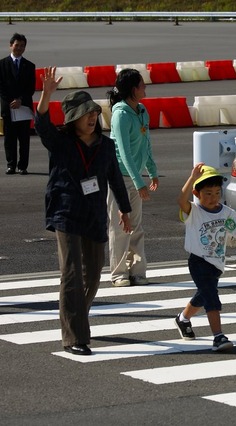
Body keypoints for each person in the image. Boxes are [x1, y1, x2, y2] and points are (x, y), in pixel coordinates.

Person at [34, 67, 132, 356]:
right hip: (66, 211)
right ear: (73, 120)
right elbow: (41, 125)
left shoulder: (105, 146)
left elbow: (115, 178)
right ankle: (75, 336)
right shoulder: (62, 143)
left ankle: (76, 315)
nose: (91, 118)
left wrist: (125, 210)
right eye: (84, 114)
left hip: (94, 214)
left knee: (93, 275)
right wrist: (46, 95)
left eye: (93, 113)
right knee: (72, 273)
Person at [174, 163, 236, 351]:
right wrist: (191, 177)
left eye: (217, 193)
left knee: (203, 295)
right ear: (197, 193)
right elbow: (181, 200)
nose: (213, 197)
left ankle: (183, 319)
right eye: (208, 193)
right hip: (198, 261)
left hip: (216, 263)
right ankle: (218, 336)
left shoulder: (226, 213)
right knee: (211, 297)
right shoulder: (193, 212)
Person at [106, 69, 159, 287]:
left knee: (136, 226)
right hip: (119, 177)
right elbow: (124, 152)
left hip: (136, 176)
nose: (145, 88)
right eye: (142, 85)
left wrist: (153, 171)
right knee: (119, 228)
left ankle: (137, 271)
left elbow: (146, 144)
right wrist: (139, 183)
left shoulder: (142, 111)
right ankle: (119, 274)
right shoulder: (120, 114)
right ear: (132, 90)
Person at [0, 33, 35, 175]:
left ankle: (23, 166)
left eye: (22, 46)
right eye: (17, 45)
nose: (19, 48)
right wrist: (11, 101)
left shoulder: (29, 66)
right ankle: (11, 165)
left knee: (24, 138)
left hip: (23, 107)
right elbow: (1, 86)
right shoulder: (1, 64)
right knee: (9, 138)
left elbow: (31, 88)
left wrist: (21, 100)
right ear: (11, 45)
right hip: (8, 107)